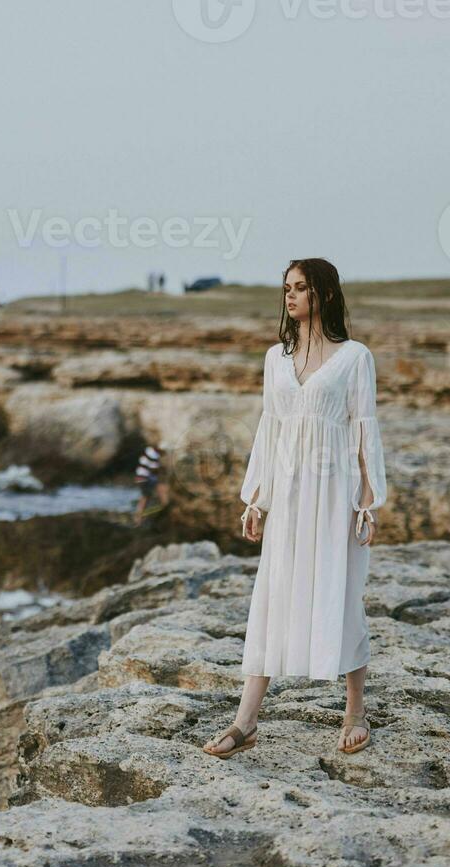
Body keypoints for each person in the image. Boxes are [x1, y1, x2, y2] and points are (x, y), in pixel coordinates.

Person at [204, 257, 386, 759]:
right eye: (286, 288)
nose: (290, 296)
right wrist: (255, 499)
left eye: (300, 288)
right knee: (272, 594)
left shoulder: (355, 357)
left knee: (342, 593)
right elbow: (270, 429)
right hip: (287, 493)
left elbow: (363, 429)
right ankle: (246, 720)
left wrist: (367, 503)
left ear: (323, 294)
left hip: (333, 495)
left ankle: (354, 711)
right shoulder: (274, 358)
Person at [133, 445, 167, 526]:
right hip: (144, 478)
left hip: (142, 478)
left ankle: (139, 518)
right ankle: (138, 518)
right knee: (145, 498)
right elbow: (154, 469)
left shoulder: (149, 451)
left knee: (145, 498)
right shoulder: (153, 454)